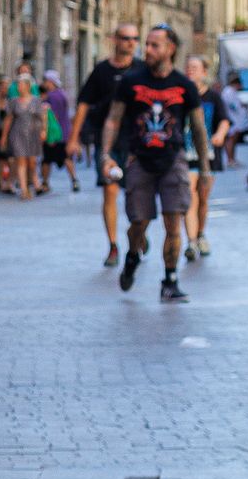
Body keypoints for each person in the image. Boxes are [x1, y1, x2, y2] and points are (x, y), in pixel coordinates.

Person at [100, 24, 209, 302]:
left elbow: (198, 129)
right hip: (139, 161)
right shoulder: (131, 82)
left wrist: (205, 170)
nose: (146, 50)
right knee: (139, 222)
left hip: (173, 161)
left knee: (174, 223)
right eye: (146, 44)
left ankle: (170, 281)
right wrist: (105, 154)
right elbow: (113, 119)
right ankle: (133, 255)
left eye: (153, 45)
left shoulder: (184, 86)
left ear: (170, 49)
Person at [76, 24, 143, 266]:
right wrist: (73, 139)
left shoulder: (142, 69)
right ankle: (113, 245)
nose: (131, 43)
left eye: (135, 38)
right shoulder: (101, 71)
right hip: (108, 141)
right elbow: (83, 104)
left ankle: (138, 233)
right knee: (110, 190)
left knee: (136, 196)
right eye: (126, 38)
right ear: (115, 39)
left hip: (136, 140)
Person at [185, 54, 225, 255]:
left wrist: (219, 134)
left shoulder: (213, 96)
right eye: (188, 67)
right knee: (189, 197)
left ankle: (200, 233)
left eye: (194, 67)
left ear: (204, 72)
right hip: (186, 155)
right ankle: (191, 241)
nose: (190, 70)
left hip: (209, 155)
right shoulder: (180, 94)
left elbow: (224, 120)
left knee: (203, 199)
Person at [5, 70, 46, 197]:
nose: (19, 87)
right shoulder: (13, 101)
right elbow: (8, 119)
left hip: (33, 134)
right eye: (18, 85)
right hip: (17, 134)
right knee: (21, 161)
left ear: (28, 86)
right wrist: (4, 137)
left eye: (21, 84)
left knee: (32, 162)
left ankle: (33, 182)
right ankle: (24, 190)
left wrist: (44, 130)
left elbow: (42, 117)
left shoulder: (36, 101)